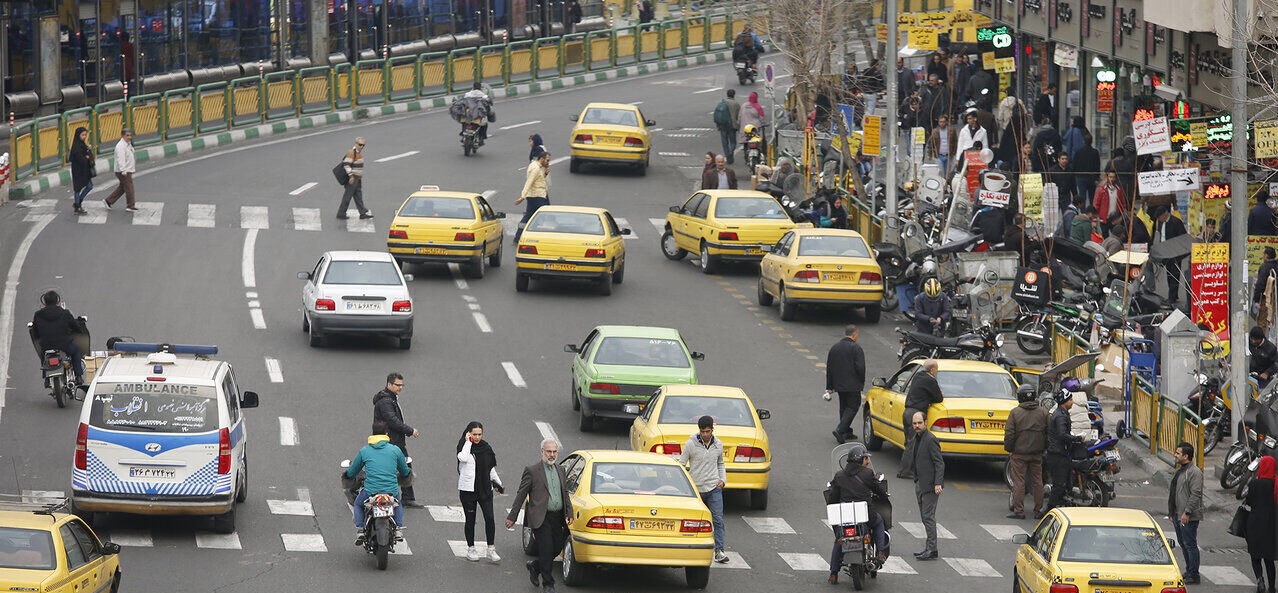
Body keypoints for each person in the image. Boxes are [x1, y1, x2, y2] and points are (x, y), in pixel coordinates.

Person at [505, 438, 573, 593]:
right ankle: (548, 583)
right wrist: (512, 517)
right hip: (540, 518)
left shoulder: (561, 470)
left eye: (554, 452)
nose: (552, 455)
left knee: (556, 548)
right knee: (546, 549)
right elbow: (521, 494)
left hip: (557, 518)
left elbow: (565, 493)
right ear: (542, 451)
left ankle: (535, 566)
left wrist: (569, 512)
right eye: (548, 451)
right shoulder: (532, 471)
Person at [826, 442, 888, 584]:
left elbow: (833, 498)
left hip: (846, 518)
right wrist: (884, 495)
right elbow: (877, 489)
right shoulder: (867, 473)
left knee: (839, 539)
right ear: (861, 460)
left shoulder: (839, 475)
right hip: (866, 516)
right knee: (879, 522)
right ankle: (880, 553)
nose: (868, 460)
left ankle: (833, 574)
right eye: (866, 458)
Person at [346, 421, 411, 544]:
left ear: (372, 433)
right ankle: (398, 528)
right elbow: (404, 470)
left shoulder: (365, 451)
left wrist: (348, 476)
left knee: (358, 505)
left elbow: (353, 470)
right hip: (391, 490)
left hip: (371, 490)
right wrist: (407, 474)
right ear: (387, 434)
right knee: (397, 504)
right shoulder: (395, 450)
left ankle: (360, 529)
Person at [679, 416, 729, 563]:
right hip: (696, 490)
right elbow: (681, 464)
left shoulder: (718, 444)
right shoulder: (690, 444)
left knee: (718, 520)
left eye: (707, 431)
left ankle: (719, 551)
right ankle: (688, 549)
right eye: (702, 432)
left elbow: (720, 463)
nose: (705, 434)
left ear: (712, 430)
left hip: (714, 488)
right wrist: (685, 485)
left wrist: (722, 480)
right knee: (691, 521)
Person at [372, 372, 423, 508]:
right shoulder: (385, 401)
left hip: (394, 441)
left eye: (402, 385)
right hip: (390, 441)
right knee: (398, 467)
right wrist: (410, 431)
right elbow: (393, 421)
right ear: (389, 384)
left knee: (404, 467)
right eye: (397, 385)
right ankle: (406, 498)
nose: (400, 388)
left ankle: (407, 497)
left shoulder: (390, 398)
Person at [457, 421, 504, 563]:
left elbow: (490, 468)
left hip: (484, 488)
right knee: (470, 520)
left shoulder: (486, 448)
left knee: (489, 518)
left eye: (479, 434)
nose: (477, 437)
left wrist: (498, 483)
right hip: (468, 491)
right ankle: (471, 548)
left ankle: (490, 549)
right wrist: (468, 442)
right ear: (469, 433)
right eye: (474, 434)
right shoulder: (464, 447)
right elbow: (463, 458)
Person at [1004, 384, 1048, 520]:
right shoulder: (1043, 412)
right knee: (1037, 481)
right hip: (1037, 453)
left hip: (1019, 453)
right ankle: (1038, 510)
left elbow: (1009, 434)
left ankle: (1019, 511)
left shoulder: (1015, 413)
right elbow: (1048, 433)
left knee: (1019, 482)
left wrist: (1010, 449)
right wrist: (1043, 448)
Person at [899, 359, 942, 480]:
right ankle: (905, 471)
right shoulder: (930, 380)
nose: (936, 373)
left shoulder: (918, 376)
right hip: (917, 413)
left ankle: (904, 470)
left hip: (907, 412)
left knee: (909, 442)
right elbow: (938, 397)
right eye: (936, 370)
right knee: (913, 443)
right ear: (932, 370)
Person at [31, 290, 85, 385]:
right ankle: (79, 376)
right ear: (57, 301)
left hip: (47, 346)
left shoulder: (38, 314)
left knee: (43, 354)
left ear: (44, 302)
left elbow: (35, 332)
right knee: (76, 351)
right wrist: (79, 329)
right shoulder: (65, 313)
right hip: (65, 345)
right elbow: (74, 325)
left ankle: (46, 378)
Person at [1169, 441, 1203, 585]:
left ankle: (1194, 574)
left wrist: (1187, 513)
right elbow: (1174, 493)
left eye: (1178, 453)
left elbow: (1195, 494)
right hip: (1178, 514)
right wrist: (1172, 512)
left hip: (1187, 516)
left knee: (1190, 544)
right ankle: (1189, 570)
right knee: (1183, 543)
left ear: (1186, 456)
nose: (1175, 455)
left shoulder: (1194, 472)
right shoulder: (1181, 470)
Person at [911, 410, 943, 561]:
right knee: (925, 517)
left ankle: (932, 549)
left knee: (928, 517)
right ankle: (929, 548)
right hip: (920, 483)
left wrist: (938, 483)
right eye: (914, 423)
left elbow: (939, 463)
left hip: (930, 485)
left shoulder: (930, 439)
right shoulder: (917, 437)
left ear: (926, 423)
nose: (917, 426)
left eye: (919, 423)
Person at [826, 324, 866, 444]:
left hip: (839, 384)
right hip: (853, 384)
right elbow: (860, 367)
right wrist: (861, 381)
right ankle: (840, 429)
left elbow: (830, 368)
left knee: (843, 407)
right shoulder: (856, 348)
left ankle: (846, 431)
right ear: (854, 335)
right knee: (853, 406)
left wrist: (830, 386)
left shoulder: (835, 348)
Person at [1245, 455, 1278, 593]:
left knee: (1255, 555)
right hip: (1272, 525)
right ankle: (1271, 586)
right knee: (1269, 558)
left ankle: (1260, 580)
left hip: (1255, 524)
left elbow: (1249, 502)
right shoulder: (1276, 484)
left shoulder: (1254, 484)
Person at [1044, 389, 1076, 512]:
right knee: (1059, 485)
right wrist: (1077, 438)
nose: (1073, 402)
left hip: (1059, 453)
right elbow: (1062, 435)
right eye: (1071, 400)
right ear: (1064, 402)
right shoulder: (1060, 416)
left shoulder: (1062, 413)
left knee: (1064, 484)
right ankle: (1048, 510)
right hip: (1057, 455)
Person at [514, 151, 552, 243]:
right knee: (542, 216)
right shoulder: (535, 168)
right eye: (547, 160)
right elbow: (529, 182)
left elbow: (538, 180)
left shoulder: (535, 165)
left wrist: (545, 174)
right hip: (538, 197)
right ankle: (537, 237)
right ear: (542, 159)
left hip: (534, 196)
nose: (548, 163)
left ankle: (518, 236)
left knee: (528, 216)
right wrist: (522, 196)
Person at [1154, 206, 1188, 304]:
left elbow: (1182, 237)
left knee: (1174, 275)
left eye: (1159, 217)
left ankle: (1171, 297)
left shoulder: (1176, 222)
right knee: (1169, 274)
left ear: (1164, 215)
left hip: (1175, 253)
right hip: (1165, 252)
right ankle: (1173, 294)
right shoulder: (1162, 223)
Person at [336, 137, 372, 220]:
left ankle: (362, 213)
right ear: (356, 144)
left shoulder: (358, 153)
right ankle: (341, 213)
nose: (362, 146)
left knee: (358, 196)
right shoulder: (352, 152)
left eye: (363, 145)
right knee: (347, 196)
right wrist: (351, 176)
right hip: (353, 179)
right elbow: (346, 164)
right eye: (360, 144)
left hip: (357, 178)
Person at [103, 128, 136, 212]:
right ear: (122, 136)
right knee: (129, 188)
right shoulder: (120, 146)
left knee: (122, 188)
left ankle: (108, 201)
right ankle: (130, 205)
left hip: (127, 169)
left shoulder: (127, 144)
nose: (129, 137)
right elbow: (120, 159)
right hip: (123, 171)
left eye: (130, 135)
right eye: (127, 135)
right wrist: (123, 170)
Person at [68, 127, 95, 215]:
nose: (84, 137)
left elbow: (88, 156)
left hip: (84, 171)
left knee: (89, 186)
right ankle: (77, 207)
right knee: (78, 189)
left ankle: (77, 203)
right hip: (78, 171)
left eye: (85, 135)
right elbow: (82, 160)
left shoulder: (82, 144)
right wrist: (86, 155)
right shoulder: (76, 148)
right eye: (82, 135)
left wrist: (87, 150)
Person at [1092, 171, 1126, 236]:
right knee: (1105, 236)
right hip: (1104, 218)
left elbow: (1123, 204)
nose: (1112, 179)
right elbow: (1096, 205)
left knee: (1116, 237)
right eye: (1110, 177)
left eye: (1113, 177)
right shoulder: (1101, 190)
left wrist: (1123, 216)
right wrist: (1094, 219)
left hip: (1115, 219)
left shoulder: (1119, 190)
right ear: (1107, 177)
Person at [1072, 131, 1101, 203]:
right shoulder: (1095, 152)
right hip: (1092, 177)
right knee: (1092, 197)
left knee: (1082, 196)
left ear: (1083, 141)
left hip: (1081, 177)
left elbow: (1074, 164)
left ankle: (1083, 212)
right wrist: (1097, 177)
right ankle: (1091, 211)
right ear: (1091, 141)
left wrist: (1075, 174)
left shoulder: (1078, 152)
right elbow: (1097, 165)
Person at [714, 89, 741, 163]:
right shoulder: (736, 104)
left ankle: (728, 156)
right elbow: (739, 116)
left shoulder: (722, 102)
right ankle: (730, 153)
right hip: (732, 126)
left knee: (724, 142)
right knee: (733, 142)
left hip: (722, 125)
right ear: (734, 95)